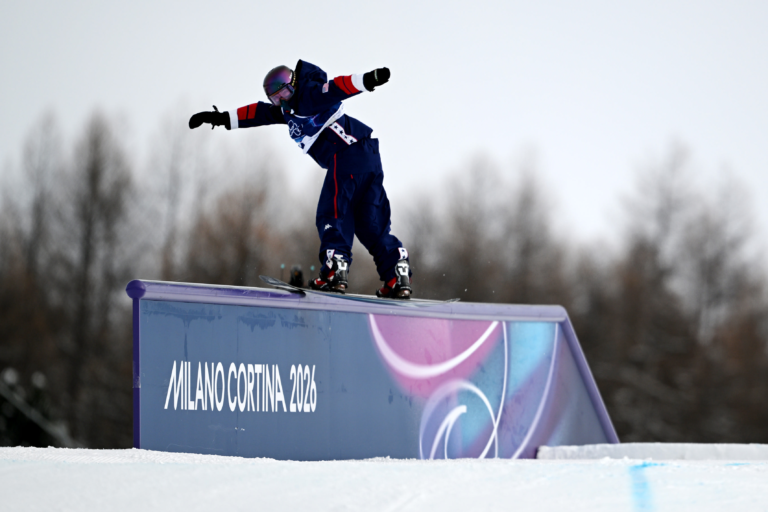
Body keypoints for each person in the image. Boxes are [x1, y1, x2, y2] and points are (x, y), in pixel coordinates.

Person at [189, 60, 412, 298]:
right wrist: (222, 118)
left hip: (349, 154)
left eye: (284, 93)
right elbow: (260, 113)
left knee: (332, 212)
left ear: (294, 84)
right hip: (368, 158)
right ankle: (396, 274)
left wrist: (368, 79)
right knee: (371, 224)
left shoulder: (311, 94)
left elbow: (338, 87)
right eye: (276, 98)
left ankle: (335, 269)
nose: (282, 101)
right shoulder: (288, 110)